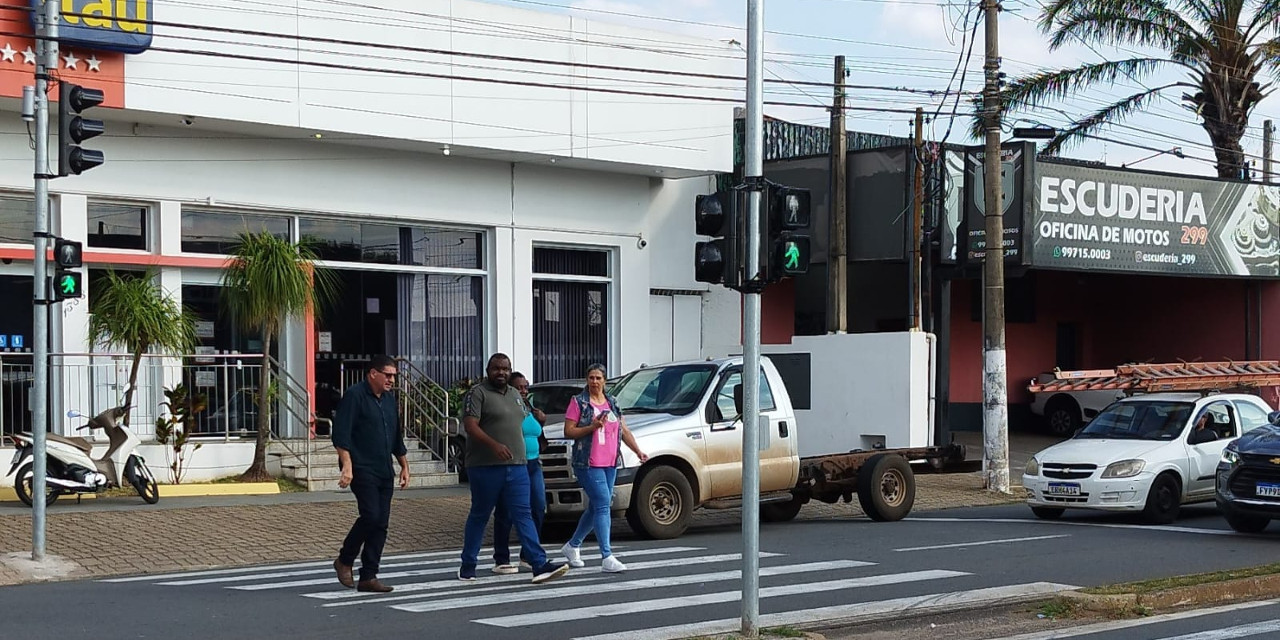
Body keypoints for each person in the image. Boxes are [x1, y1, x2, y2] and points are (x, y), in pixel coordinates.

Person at [459, 353, 569, 584]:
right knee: (480, 514)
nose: (502, 372)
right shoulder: (477, 393)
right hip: (486, 466)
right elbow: (470, 426)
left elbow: (524, 424)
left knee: (524, 514)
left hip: (518, 466)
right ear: (488, 369)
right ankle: (468, 565)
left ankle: (538, 564)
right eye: (497, 368)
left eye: (506, 369)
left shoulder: (515, 396)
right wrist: (494, 445)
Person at [332, 355, 410, 593]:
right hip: (361, 467)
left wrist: (404, 465)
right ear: (372, 374)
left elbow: (396, 437)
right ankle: (345, 559)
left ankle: (368, 575)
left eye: (393, 376)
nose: (391, 380)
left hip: (384, 468)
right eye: (387, 375)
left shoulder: (388, 400)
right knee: (371, 515)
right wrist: (347, 465)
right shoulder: (355, 396)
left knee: (381, 523)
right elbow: (341, 434)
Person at [561, 363, 647, 573]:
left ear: (605, 381)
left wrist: (638, 451)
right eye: (591, 378)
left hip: (610, 461)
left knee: (599, 505)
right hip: (588, 463)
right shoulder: (579, 402)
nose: (594, 382)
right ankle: (607, 556)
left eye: (598, 378)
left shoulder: (612, 402)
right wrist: (592, 427)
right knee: (601, 504)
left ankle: (572, 546)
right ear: (586, 380)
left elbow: (623, 430)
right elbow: (568, 432)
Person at [491, 371, 548, 573]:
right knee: (506, 511)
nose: (523, 390)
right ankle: (501, 557)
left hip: (533, 464)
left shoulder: (529, 409)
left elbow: (535, 432)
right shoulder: (507, 408)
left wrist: (540, 420)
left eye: (526, 387)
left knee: (538, 507)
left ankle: (528, 554)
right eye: (519, 387)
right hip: (514, 464)